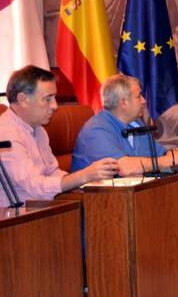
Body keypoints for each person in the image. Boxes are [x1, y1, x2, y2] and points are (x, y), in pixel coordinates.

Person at [0, 66, 118, 206]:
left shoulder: (38, 129)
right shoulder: (7, 135)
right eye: (48, 99)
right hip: (18, 216)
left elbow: (51, 171)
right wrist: (83, 176)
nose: (55, 106)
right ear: (23, 99)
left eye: (54, 98)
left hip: (46, 209)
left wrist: (87, 181)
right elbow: (35, 188)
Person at [71, 74, 178, 176]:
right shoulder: (97, 130)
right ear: (123, 102)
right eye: (138, 96)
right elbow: (124, 168)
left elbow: (162, 154)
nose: (144, 101)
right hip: (100, 201)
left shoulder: (136, 124)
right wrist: (171, 160)